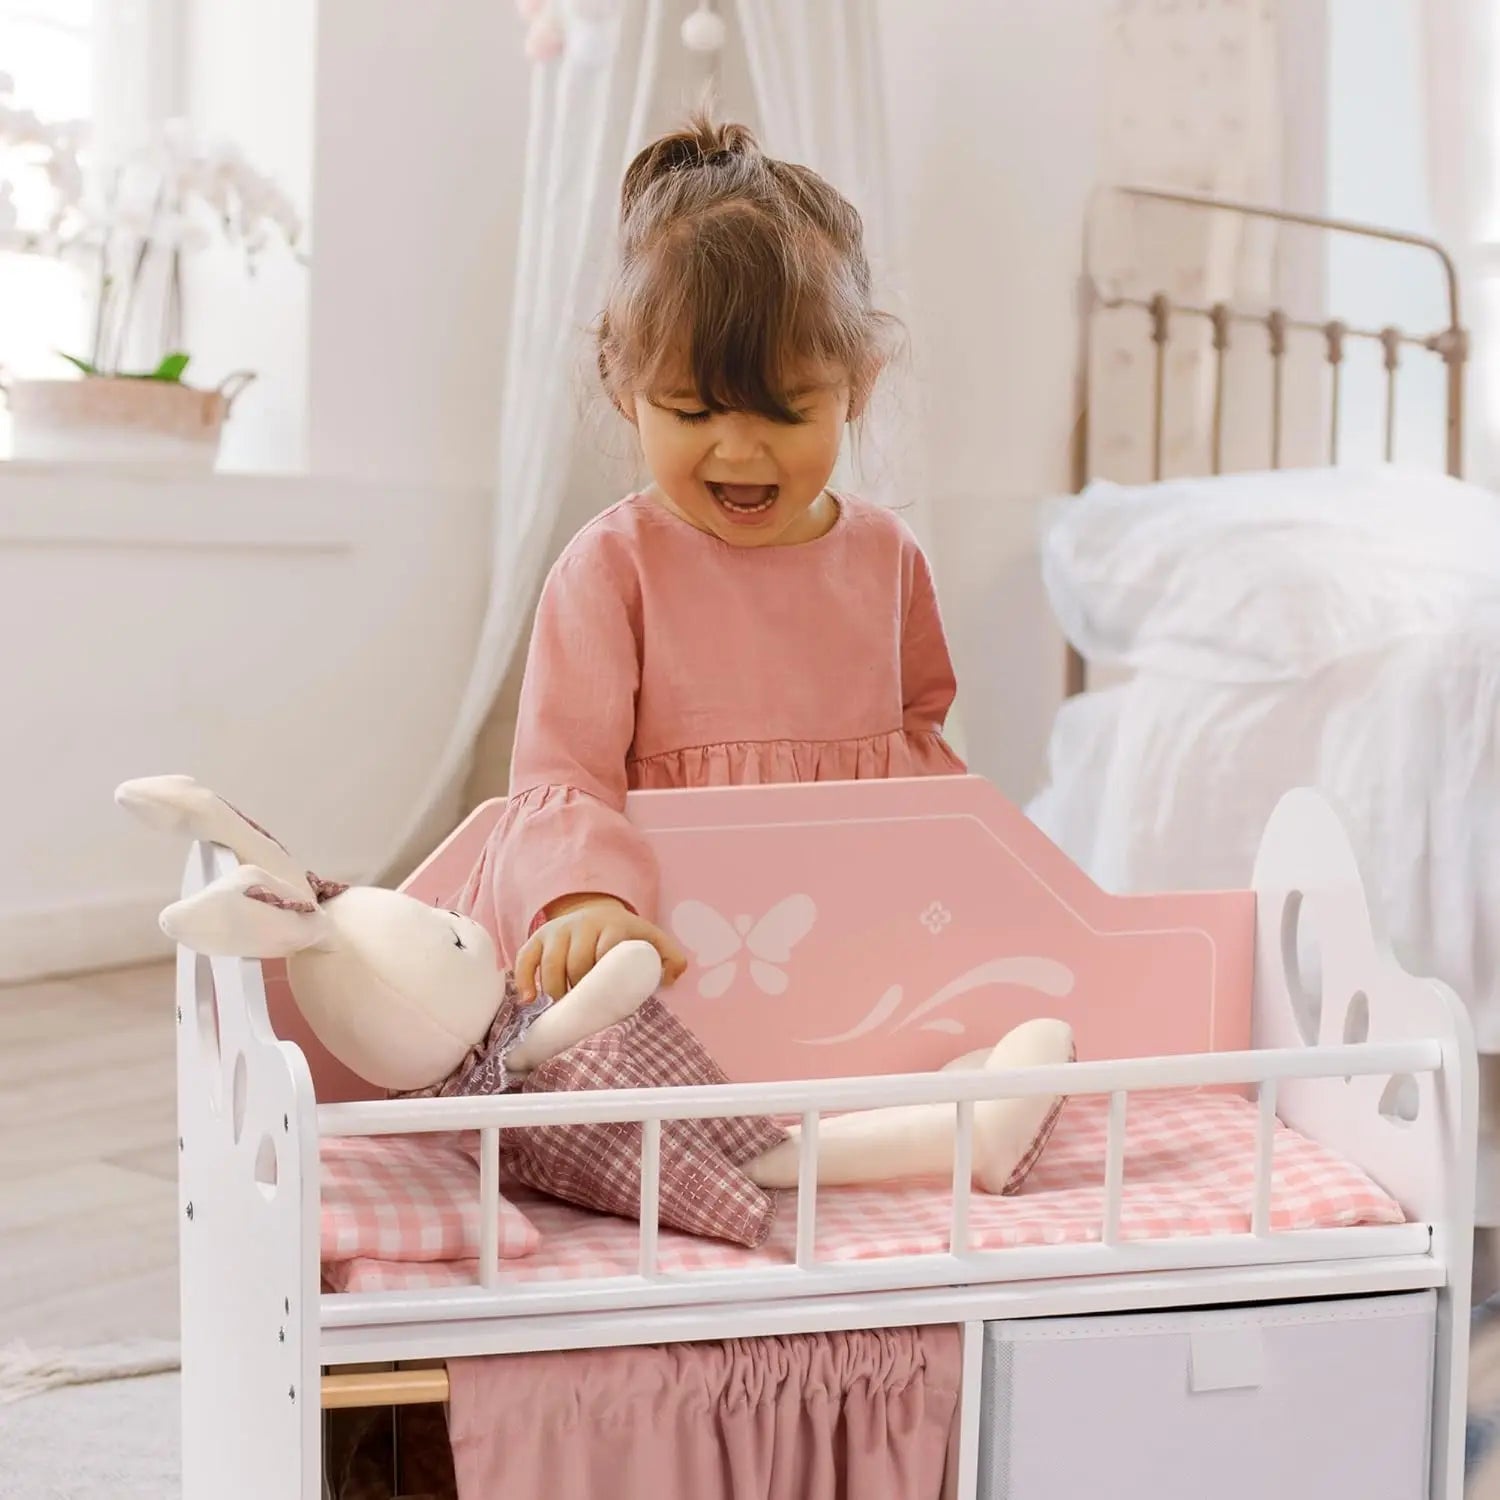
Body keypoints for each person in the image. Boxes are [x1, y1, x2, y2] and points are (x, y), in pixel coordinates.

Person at [460, 108, 966, 1005]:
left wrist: (954, 890)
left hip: (839, 946)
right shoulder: (612, 569)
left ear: (857, 387)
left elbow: (921, 761)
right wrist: (586, 905)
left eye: (786, 412)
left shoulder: (887, 558)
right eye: (694, 414)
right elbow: (563, 778)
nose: (739, 452)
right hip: (659, 952)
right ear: (627, 390)